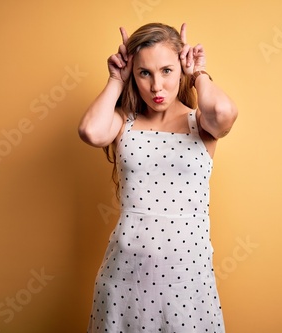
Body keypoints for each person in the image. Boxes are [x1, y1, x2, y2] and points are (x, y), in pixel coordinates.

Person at [78, 22, 238, 333]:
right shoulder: (124, 122)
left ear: (181, 68)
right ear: (133, 75)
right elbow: (90, 131)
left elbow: (222, 111)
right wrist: (114, 79)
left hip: (187, 279)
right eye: (145, 73)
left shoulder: (202, 124)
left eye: (166, 70)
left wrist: (199, 73)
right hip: (124, 277)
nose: (156, 86)